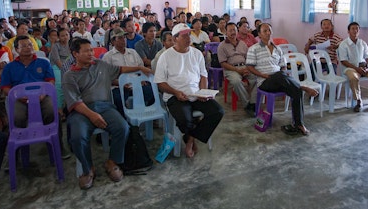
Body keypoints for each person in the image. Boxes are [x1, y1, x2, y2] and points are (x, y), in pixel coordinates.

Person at [62, 38, 150, 189]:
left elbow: (120, 69)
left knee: (122, 127)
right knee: (78, 136)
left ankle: (112, 162)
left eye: (91, 50)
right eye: (86, 51)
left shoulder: (100, 64)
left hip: (105, 107)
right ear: (75, 54)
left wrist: (139, 68)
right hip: (81, 111)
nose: (91, 53)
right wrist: (92, 115)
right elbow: (74, 102)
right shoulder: (69, 76)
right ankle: (88, 169)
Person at [154, 23, 225, 158]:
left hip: (195, 94)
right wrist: (175, 92)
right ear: (175, 39)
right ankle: (191, 138)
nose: (188, 37)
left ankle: (190, 139)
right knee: (186, 120)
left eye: (189, 34)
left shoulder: (197, 53)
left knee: (218, 111)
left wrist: (202, 92)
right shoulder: (166, 56)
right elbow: (160, 83)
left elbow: (203, 75)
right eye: (184, 35)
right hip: (175, 96)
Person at [246, 23, 318, 136]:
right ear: (259, 34)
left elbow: (283, 67)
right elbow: (249, 67)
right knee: (280, 75)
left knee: (295, 89)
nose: (268, 33)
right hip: (265, 82)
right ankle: (302, 86)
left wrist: (283, 73)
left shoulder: (278, 49)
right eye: (265, 31)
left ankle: (298, 124)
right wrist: (263, 75)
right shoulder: (253, 49)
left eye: (269, 30)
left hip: (280, 79)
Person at [338, 22, 368, 112]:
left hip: (364, 67)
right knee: (353, 78)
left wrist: (367, 67)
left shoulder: (362, 43)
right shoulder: (344, 44)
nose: (355, 30)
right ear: (348, 31)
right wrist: (357, 69)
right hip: (351, 68)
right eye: (353, 29)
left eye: (357, 29)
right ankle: (358, 101)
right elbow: (343, 61)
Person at [102, 28, 153, 115]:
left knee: (152, 92)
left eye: (124, 37)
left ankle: (146, 116)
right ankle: (126, 121)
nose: (124, 40)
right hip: (119, 86)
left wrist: (142, 79)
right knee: (118, 99)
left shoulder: (133, 52)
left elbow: (141, 67)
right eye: (120, 38)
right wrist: (120, 83)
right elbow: (106, 77)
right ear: (113, 41)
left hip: (136, 83)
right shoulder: (108, 57)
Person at [218, 22, 257, 116]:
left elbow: (248, 58)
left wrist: (247, 68)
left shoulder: (242, 43)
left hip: (244, 66)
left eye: (234, 30)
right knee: (236, 81)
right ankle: (247, 104)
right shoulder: (222, 46)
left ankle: (252, 102)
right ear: (226, 32)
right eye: (230, 30)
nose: (233, 32)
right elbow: (223, 63)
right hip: (231, 69)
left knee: (257, 78)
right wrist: (237, 70)